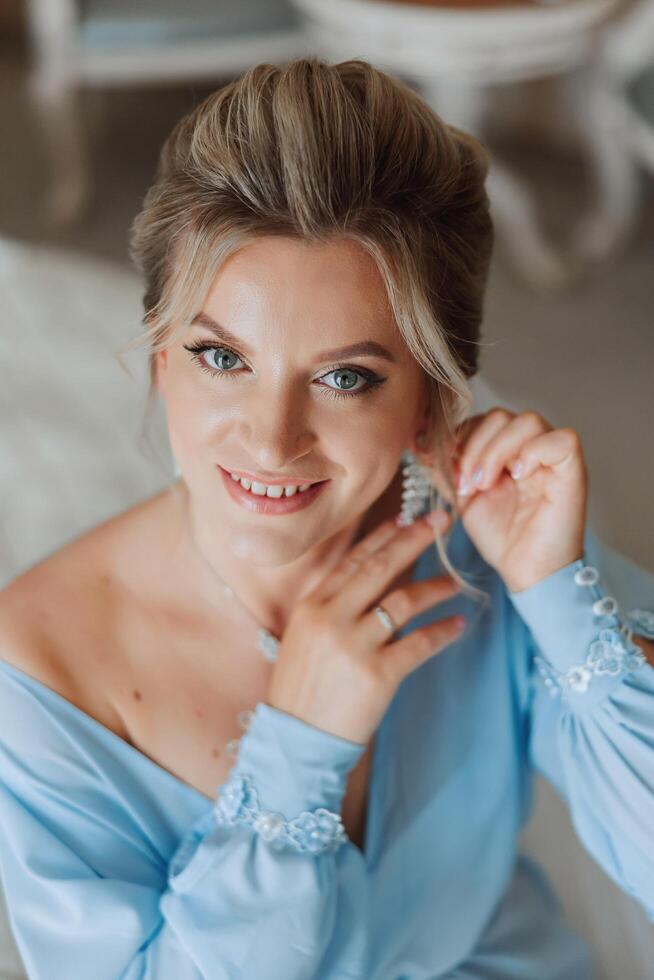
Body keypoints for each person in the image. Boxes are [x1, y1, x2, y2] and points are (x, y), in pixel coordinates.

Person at [0, 57, 652, 980]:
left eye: (346, 377)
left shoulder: (497, 547)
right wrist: (296, 754)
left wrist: (556, 593)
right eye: (222, 358)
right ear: (157, 358)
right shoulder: (38, 670)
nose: (271, 442)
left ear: (431, 399)